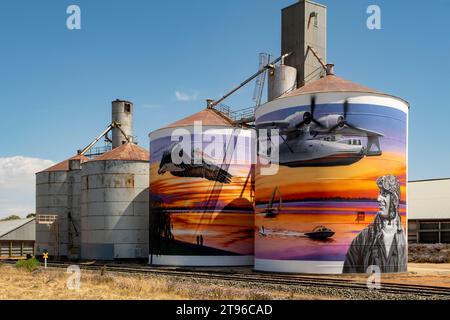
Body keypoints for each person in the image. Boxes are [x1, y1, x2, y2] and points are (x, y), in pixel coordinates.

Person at [343, 174, 407, 273]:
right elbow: (349, 275)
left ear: (394, 199)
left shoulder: (403, 236)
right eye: (379, 193)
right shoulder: (363, 238)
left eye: (384, 194)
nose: (378, 199)